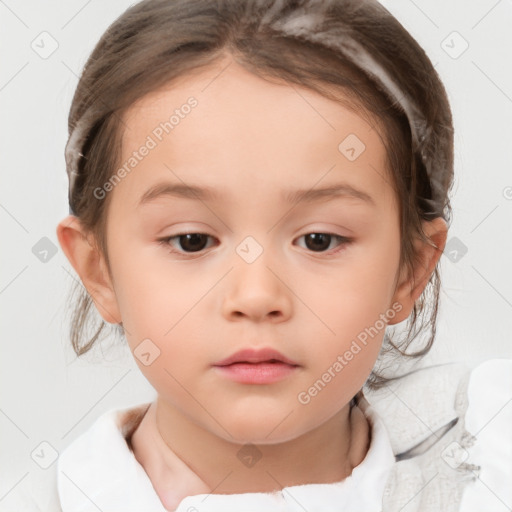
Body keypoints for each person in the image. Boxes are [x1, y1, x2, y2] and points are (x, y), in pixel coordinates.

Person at [33, 0, 508, 510]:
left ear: (410, 271)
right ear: (98, 270)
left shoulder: (490, 460)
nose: (256, 297)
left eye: (319, 240)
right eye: (192, 240)